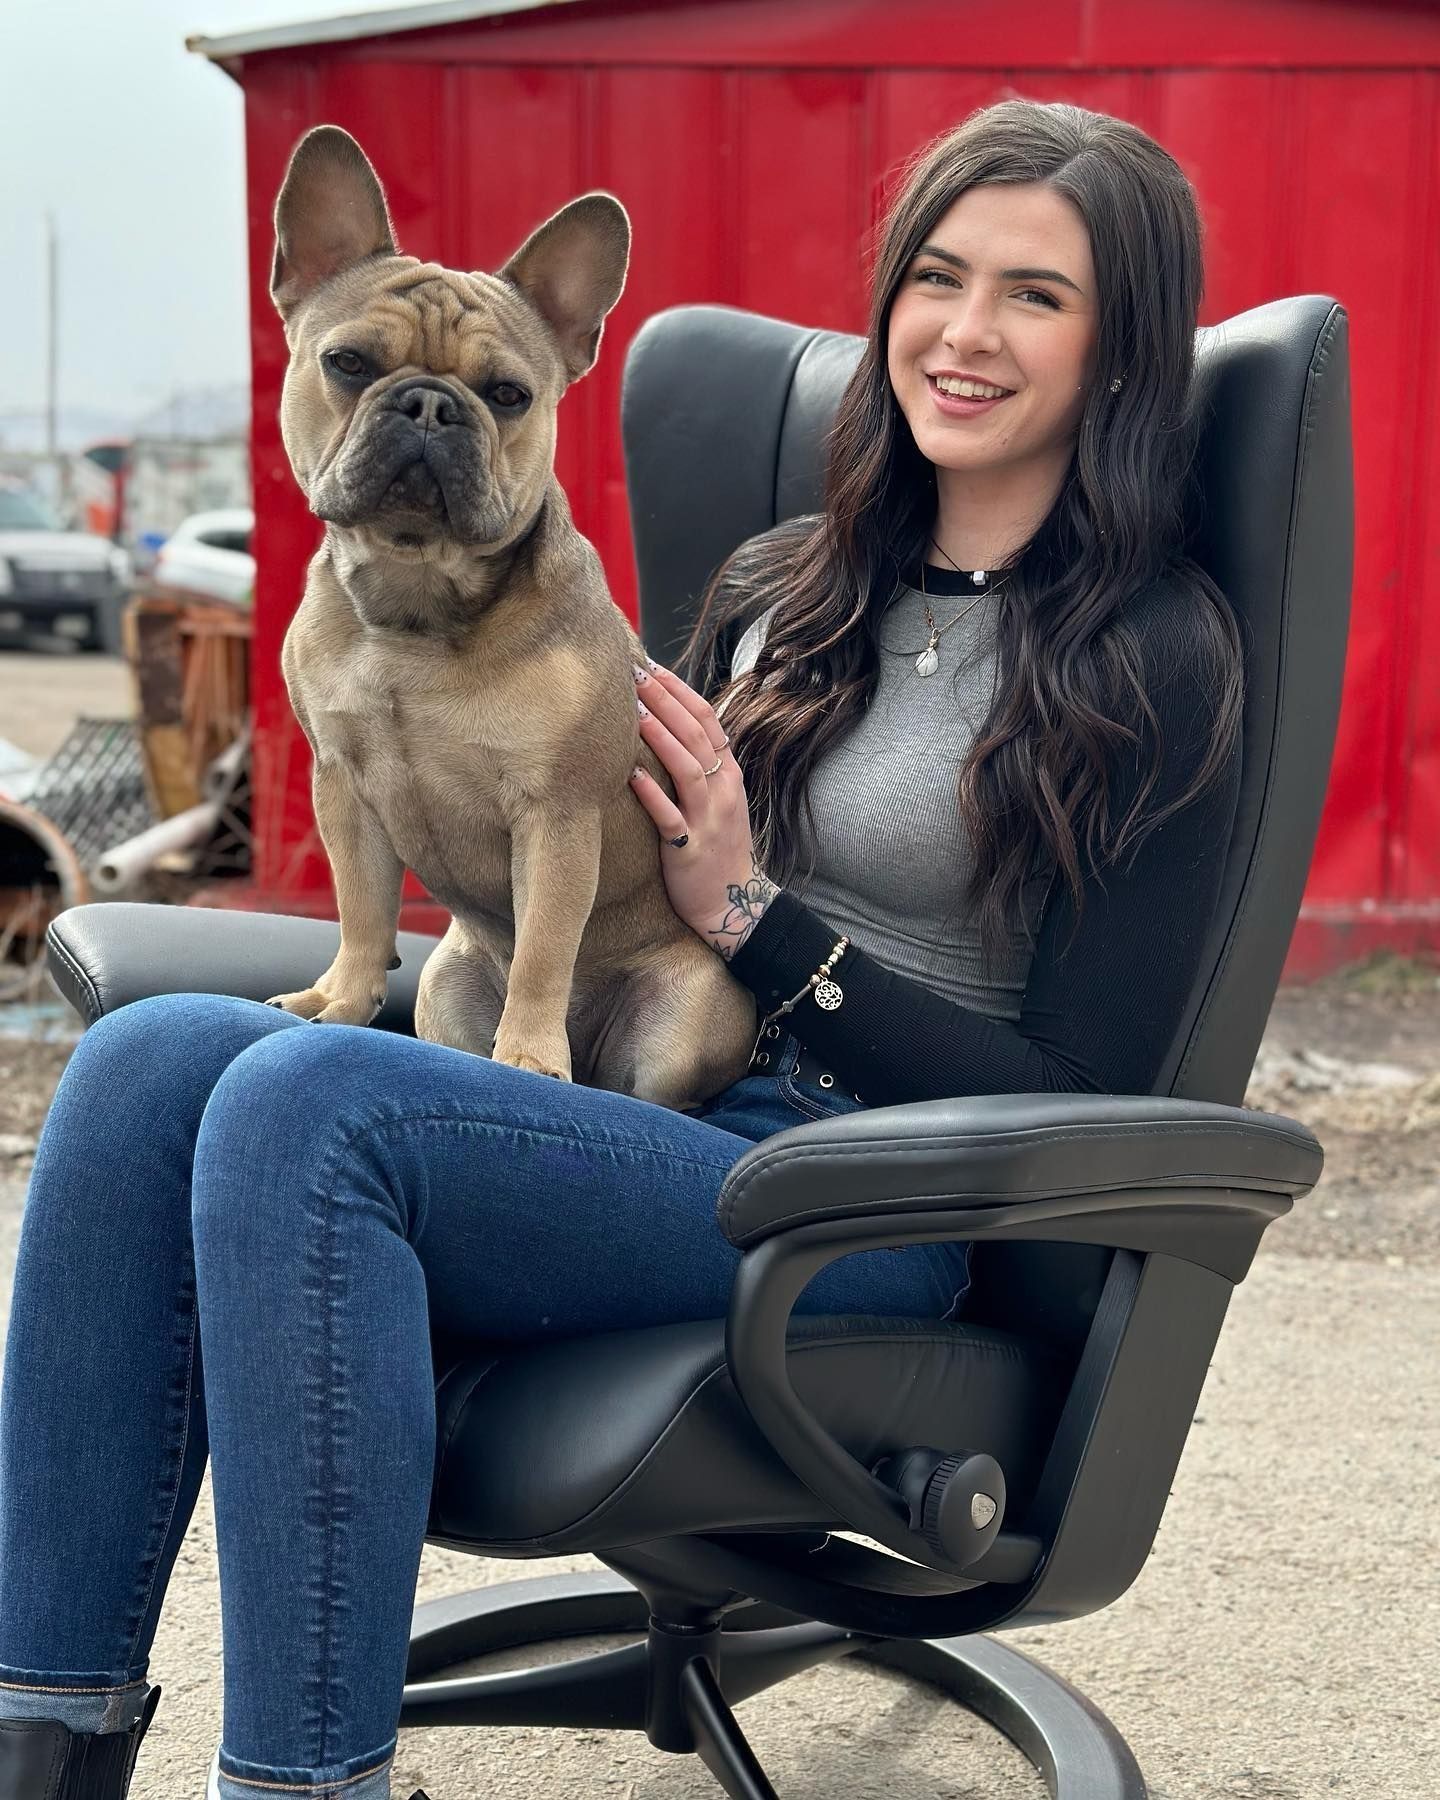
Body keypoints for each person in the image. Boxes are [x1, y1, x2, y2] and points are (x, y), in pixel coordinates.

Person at [0, 98, 1242, 1800]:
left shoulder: (1153, 657)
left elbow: (1083, 1090)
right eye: (937, 276)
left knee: (308, 1109)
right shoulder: (785, 586)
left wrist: (757, 921)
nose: (964, 330)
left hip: (867, 1196)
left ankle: (297, 1785)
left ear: (1122, 350)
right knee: (147, 1062)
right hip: (653, 1123)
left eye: (1038, 294)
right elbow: (572, 835)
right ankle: (41, 1742)